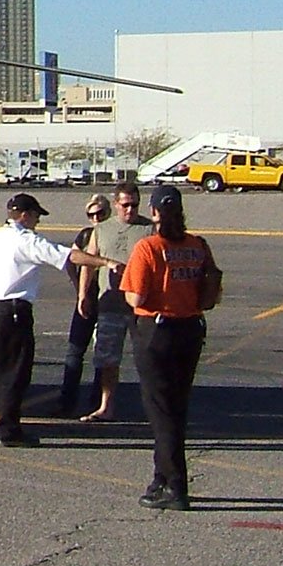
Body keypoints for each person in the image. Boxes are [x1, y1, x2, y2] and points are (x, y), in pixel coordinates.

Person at [0, 193, 120, 447]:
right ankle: (9, 430)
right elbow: (68, 257)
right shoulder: (27, 241)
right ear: (24, 215)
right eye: (36, 216)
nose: (38, 221)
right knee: (16, 372)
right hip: (14, 309)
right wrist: (105, 261)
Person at [122, 184, 219, 510]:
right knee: (175, 408)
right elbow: (212, 292)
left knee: (160, 411)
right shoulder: (197, 245)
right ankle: (161, 478)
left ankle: (176, 485)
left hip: (157, 331)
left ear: (153, 212)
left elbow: (135, 298)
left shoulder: (148, 247)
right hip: (190, 329)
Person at [79, 181, 154, 422]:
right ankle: (106, 406)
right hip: (110, 303)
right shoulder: (101, 230)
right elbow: (88, 263)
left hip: (142, 306)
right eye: (125, 205)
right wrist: (83, 295)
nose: (130, 210)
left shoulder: (149, 229)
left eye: (134, 205)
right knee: (108, 358)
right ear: (116, 204)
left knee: (148, 358)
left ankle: (154, 407)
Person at [56, 194, 107, 417]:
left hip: (108, 298)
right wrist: (78, 287)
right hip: (87, 298)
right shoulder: (86, 235)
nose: (96, 218)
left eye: (100, 213)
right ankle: (67, 401)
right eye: (91, 214)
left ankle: (98, 400)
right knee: (75, 350)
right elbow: (70, 258)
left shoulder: (113, 234)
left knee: (103, 352)